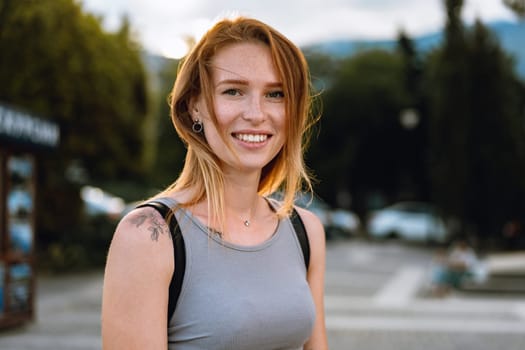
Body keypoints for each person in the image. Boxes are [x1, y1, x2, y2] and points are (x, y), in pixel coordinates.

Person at [101, 16, 328, 349]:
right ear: (195, 106)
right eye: (233, 91)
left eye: (275, 94)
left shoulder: (306, 231)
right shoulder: (149, 235)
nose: (256, 113)